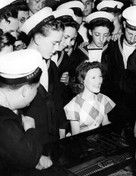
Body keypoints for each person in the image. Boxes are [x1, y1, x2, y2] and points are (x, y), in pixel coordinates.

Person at [0, 49, 52, 176]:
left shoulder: (9, 109)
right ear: (25, 90)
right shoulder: (5, 122)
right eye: (36, 89)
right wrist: (30, 130)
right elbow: (26, 158)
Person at [19, 7, 67, 144]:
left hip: (53, 137)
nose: (57, 48)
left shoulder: (51, 65)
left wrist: (62, 129)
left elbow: (57, 99)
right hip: (31, 140)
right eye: (54, 43)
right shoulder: (20, 67)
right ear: (38, 38)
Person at [64, 61, 115, 135]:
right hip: (82, 143)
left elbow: (105, 123)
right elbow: (76, 136)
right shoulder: (74, 105)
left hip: (99, 140)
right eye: (93, 78)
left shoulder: (102, 98)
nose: (99, 81)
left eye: (100, 76)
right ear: (82, 80)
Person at [71, 11, 114, 95]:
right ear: (90, 32)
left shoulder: (111, 50)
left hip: (107, 95)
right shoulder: (80, 51)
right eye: (97, 34)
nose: (101, 39)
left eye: (105, 35)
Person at [52, 8, 79, 106]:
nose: (68, 43)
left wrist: (67, 82)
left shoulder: (65, 58)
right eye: (66, 37)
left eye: (72, 39)